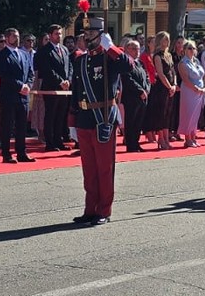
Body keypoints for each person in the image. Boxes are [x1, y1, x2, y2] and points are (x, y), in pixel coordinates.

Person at [71, 15, 129, 223]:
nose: (87, 37)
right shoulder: (80, 60)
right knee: (89, 169)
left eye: (91, 33)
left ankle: (104, 210)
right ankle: (90, 209)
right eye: (85, 33)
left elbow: (128, 66)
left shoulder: (109, 58)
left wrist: (111, 48)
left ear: (101, 35)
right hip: (84, 118)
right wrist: (72, 121)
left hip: (103, 118)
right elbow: (75, 90)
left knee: (105, 168)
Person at [0, 27, 34, 163]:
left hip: (23, 96)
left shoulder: (23, 54)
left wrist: (28, 84)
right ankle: (6, 153)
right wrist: (19, 86)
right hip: (9, 96)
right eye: (13, 36)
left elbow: (30, 73)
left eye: (17, 36)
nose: (17, 39)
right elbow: (4, 75)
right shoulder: (1, 55)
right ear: (7, 38)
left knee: (22, 126)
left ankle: (21, 152)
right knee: (7, 126)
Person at [34, 23, 73, 151]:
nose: (59, 36)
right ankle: (50, 143)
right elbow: (46, 69)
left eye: (60, 33)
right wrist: (60, 81)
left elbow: (69, 67)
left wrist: (68, 80)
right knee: (51, 115)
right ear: (50, 35)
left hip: (65, 89)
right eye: (56, 34)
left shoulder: (65, 49)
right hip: (51, 87)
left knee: (61, 115)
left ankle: (59, 140)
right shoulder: (44, 51)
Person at [146, 31, 178, 150]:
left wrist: (174, 84)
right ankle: (161, 139)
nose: (167, 42)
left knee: (169, 113)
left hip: (170, 86)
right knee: (161, 114)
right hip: (161, 88)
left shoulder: (169, 55)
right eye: (165, 39)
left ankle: (166, 137)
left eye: (168, 39)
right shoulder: (157, 55)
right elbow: (160, 73)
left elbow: (173, 71)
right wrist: (169, 86)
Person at [119, 38, 152, 152]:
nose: (137, 51)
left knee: (138, 122)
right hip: (131, 97)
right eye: (134, 49)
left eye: (138, 49)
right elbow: (127, 79)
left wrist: (147, 89)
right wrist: (140, 90)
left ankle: (136, 143)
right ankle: (131, 144)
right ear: (127, 49)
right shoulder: (125, 62)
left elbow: (147, 77)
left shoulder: (140, 63)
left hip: (143, 97)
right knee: (131, 122)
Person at [176, 39, 205, 148]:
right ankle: (187, 138)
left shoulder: (197, 61)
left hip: (200, 91)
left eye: (193, 48)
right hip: (189, 90)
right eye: (189, 48)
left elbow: (204, 75)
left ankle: (193, 136)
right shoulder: (183, 63)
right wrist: (195, 88)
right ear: (184, 50)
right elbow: (185, 79)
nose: (192, 50)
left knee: (196, 115)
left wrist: (204, 87)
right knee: (188, 113)